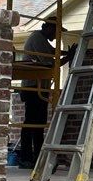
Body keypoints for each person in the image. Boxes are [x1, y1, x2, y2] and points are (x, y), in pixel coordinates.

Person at [15, 20, 62, 167]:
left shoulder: (42, 40)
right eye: (55, 31)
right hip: (33, 87)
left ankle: (35, 158)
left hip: (39, 87)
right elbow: (51, 63)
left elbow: (53, 53)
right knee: (32, 124)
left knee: (37, 124)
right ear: (48, 27)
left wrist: (67, 54)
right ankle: (27, 158)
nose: (56, 35)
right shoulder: (37, 38)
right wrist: (68, 57)